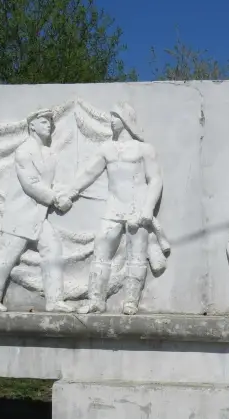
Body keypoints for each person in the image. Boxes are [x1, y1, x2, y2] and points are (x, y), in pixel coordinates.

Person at [58, 101, 163, 315]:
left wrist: (148, 209)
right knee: (100, 251)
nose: (111, 120)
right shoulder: (106, 149)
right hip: (114, 208)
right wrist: (70, 192)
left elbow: (155, 180)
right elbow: (88, 173)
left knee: (137, 255)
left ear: (125, 120)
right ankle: (96, 300)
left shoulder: (144, 149)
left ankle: (131, 301)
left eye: (115, 116)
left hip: (138, 208)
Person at [0, 108, 74, 313]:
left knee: (53, 248)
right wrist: (56, 199)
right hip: (20, 214)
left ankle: (55, 301)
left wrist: (64, 192)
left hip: (38, 215)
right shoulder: (24, 151)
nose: (48, 124)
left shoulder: (50, 153)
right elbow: (31, 184)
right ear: (32, 125)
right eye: (43, 121)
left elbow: (50, 182)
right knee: (7, 254)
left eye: (50, 122)